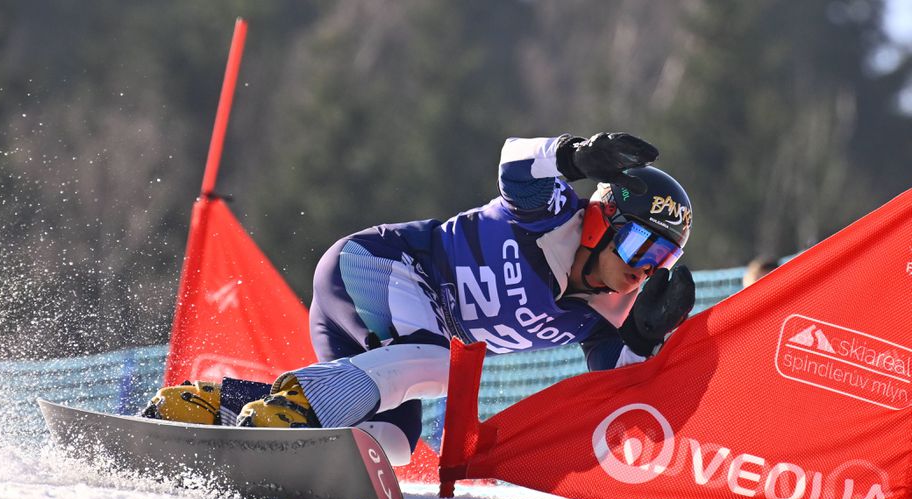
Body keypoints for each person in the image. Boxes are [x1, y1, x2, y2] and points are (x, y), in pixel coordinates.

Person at [142, 132, 696, 460]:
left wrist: (644, 338)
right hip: (374, 269)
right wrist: (578, 155)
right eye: (643, 248)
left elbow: (617, 398)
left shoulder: (602, 317)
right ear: (603, 220)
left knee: (390, 441)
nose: (646, 271)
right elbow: (515, 163)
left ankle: (213, 406)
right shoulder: (552, 217)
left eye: (662, 262)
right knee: (440, 366)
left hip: (399, 342)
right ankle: (296, 410)